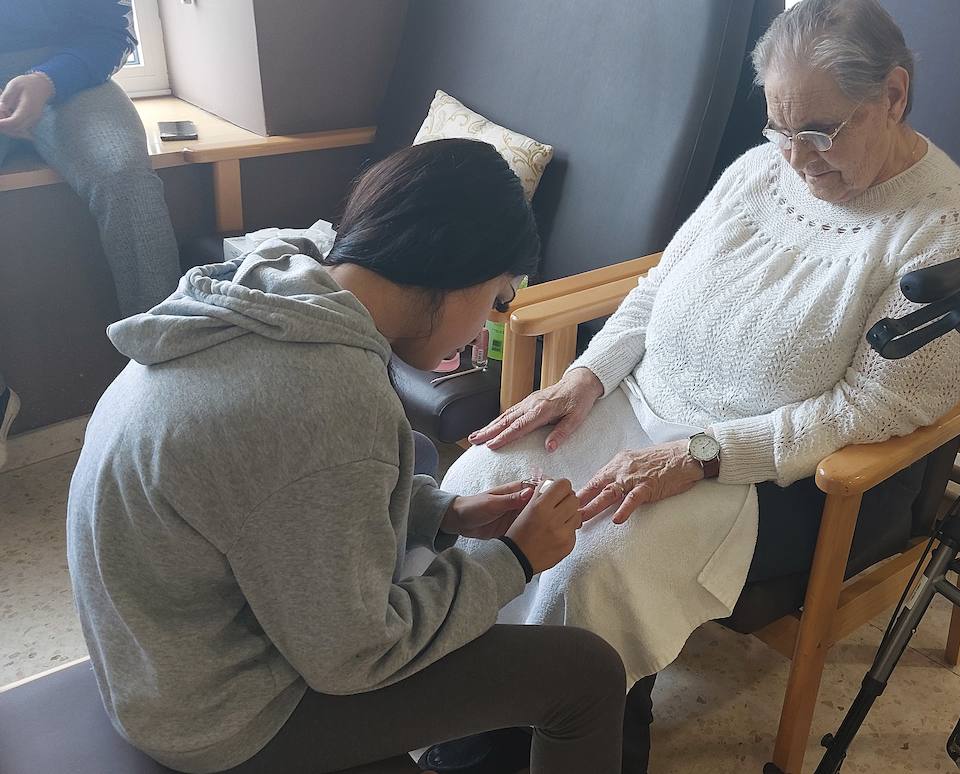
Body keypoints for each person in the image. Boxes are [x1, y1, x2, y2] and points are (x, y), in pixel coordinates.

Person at [440, 0, 960, 770]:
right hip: (635, 402)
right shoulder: (757, 170)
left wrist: (700, 455)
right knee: (479, 486)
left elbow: (875, 404)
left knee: (591, 568)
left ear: (893, 97)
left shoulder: (951, 230)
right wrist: (584, 378)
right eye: (780, 127)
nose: (795, 159)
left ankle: (572, 743)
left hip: (765, 475)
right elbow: (658, 285)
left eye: (819, 133)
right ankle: (470, 734)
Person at [66, 139, 625, 774]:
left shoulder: (282, 279)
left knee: (410, 451)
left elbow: (271, 482)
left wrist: (446, 512)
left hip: (154, 656)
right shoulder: (324, 397)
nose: (485, 331)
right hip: (219, 717)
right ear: (457, 268)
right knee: (586, 675)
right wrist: (516, 559)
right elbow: (357, 658)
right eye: (497, 300)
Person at [0, 0, 184, 464]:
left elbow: (110, 33)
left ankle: (171, 377)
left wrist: (48, 79)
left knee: (126, 179)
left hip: (64, 72)